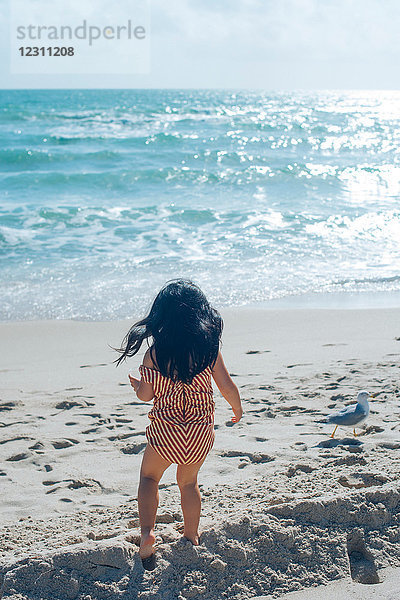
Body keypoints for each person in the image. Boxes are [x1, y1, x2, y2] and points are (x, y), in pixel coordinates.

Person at [115, 279, 243, 570]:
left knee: (149, 478)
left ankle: (147, 533)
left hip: (166, 434)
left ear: (162, 317)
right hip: (199, 432)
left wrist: (139, 387)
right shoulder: (208, 351)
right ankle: (191, 534)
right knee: (188, 483)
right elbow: (226, 385)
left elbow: (147, 396)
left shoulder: (154, 355)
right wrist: (237, 407)